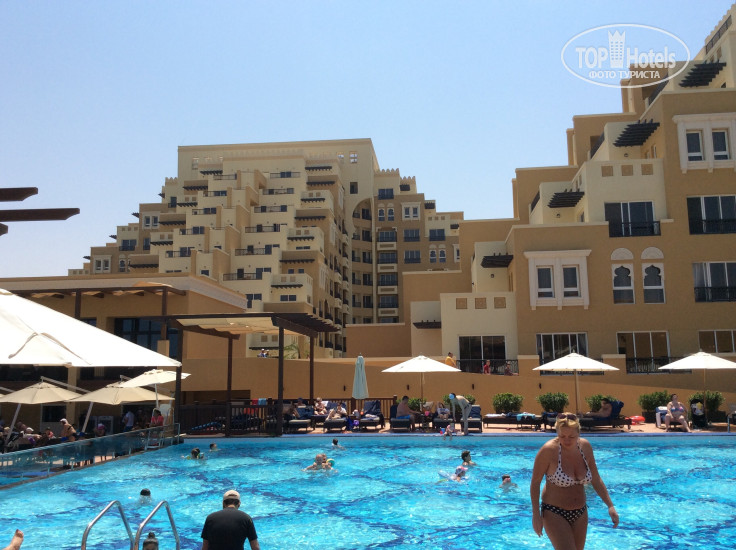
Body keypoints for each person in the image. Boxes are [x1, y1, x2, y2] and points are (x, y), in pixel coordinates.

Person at [531, 413, 619, 550]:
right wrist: (536, 515)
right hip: (555, 512)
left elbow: (596, 478)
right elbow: (535, 482)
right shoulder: (549, 451)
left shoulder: (585, 447)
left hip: (580, 512)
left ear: (578, 432)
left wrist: (610, 505)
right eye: (562, 436)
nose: (566, 440)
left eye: (571, 436)